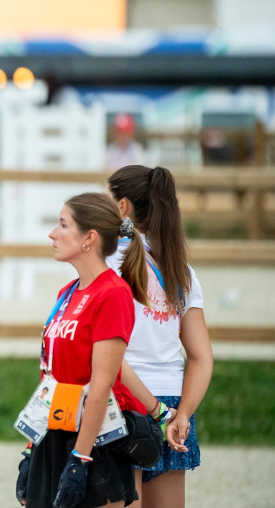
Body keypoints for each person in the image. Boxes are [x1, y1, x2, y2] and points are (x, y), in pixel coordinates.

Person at [17, 193, 149, 508]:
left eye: (63, 225)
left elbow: (101, 384)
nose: (52, 233)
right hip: (55, 432)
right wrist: (30, 448)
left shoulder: (113, 293)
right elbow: (49, 377)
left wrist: (80, 458)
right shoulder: (68, 292)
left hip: (95, 440)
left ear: (89, 238)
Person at [107, 165, 213, 508]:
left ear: (122, 207)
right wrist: (181, 413)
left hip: (122, 401)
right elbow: (200, 355)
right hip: (171, 402)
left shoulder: (105, 264)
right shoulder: (181, 270)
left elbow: (108, 353)